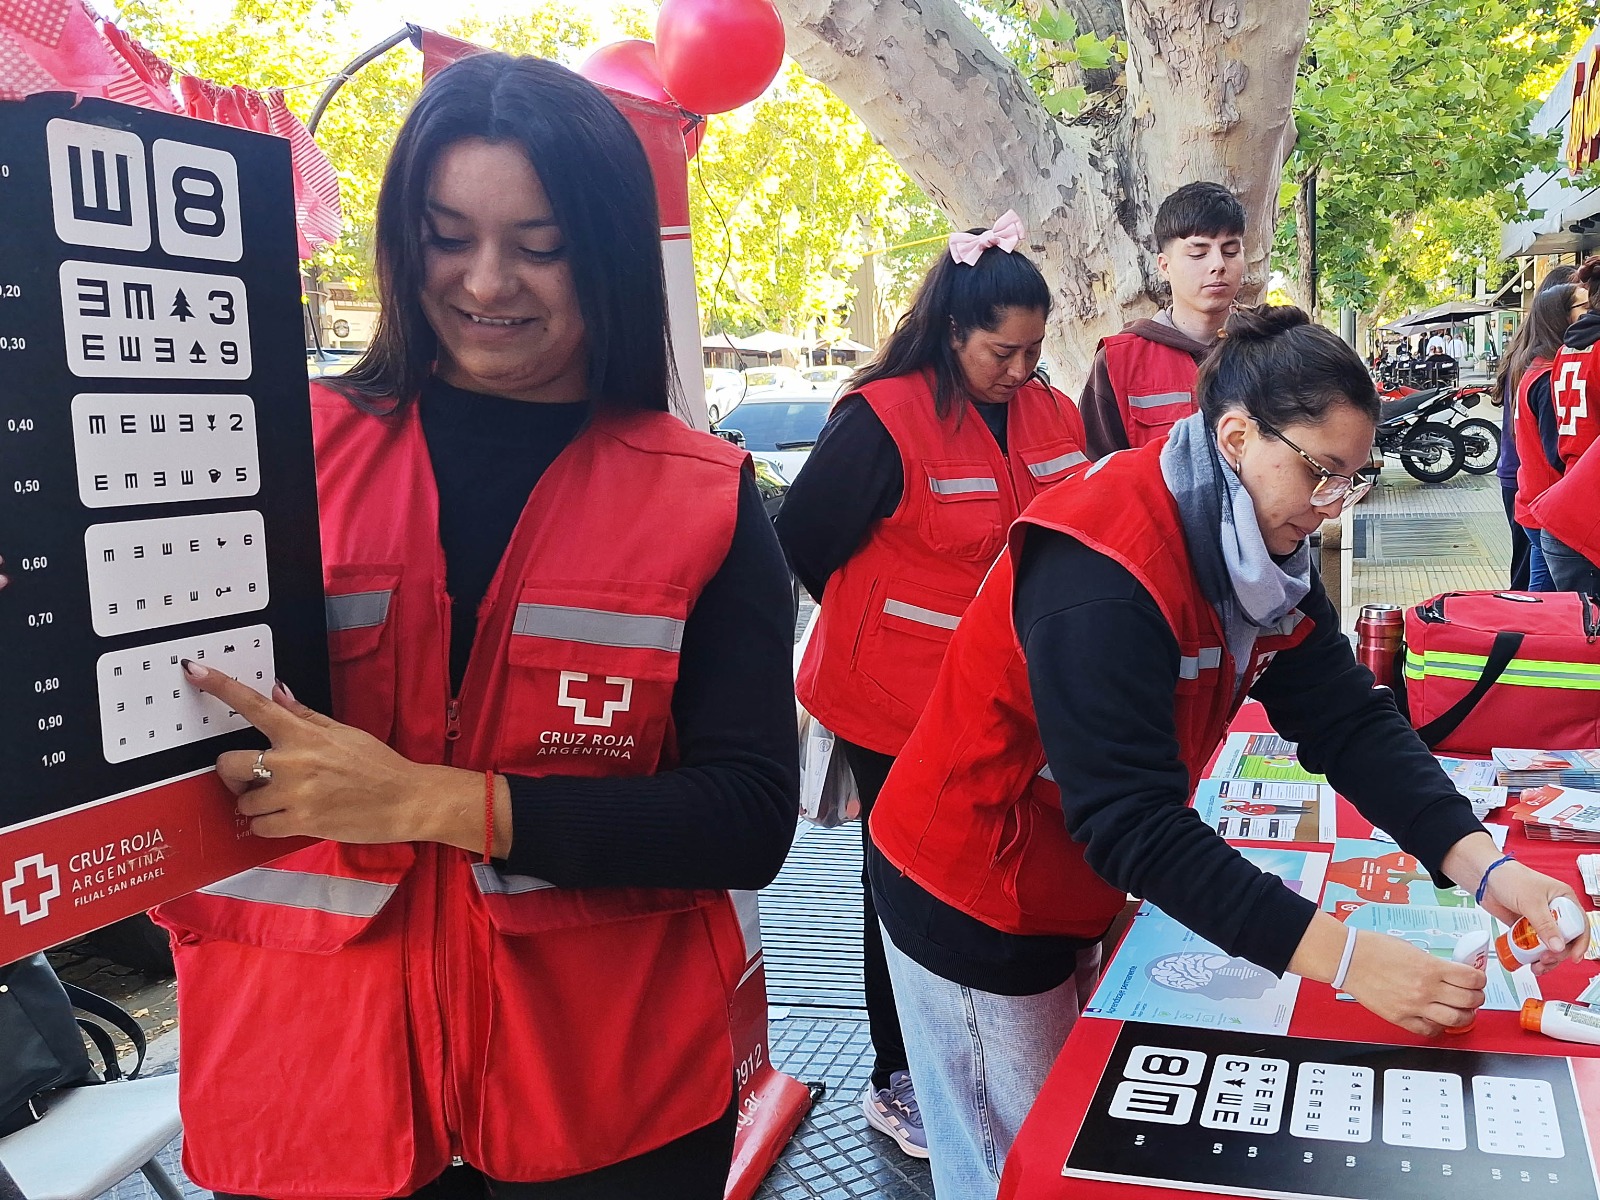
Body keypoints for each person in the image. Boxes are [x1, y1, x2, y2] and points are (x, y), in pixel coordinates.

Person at [142, 55, 800, 1200]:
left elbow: (746, 820)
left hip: (607, 1106)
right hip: (302, 1084)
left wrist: (436, 803)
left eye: (541, 246)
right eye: (447, 236)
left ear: (607, 252)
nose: (487, 282)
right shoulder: (258, 458)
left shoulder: (701, 496)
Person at [866, 306, 1585, 1199]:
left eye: (1353, 480)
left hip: (1071, 878)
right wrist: (1350, 961)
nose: (1331, 505)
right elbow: (1133, 823)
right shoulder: (1105, 563)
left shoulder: (1260, 552)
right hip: (975, 886)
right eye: (1322, 473)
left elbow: (1346, 719)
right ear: (1238, 437)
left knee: (1068, 1118)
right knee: (1013, 1162)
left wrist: (1487, 868)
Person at [775, 215, 1090, 1159]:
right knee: (904, 881)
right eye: (1002, 352)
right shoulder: (884, 416)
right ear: (953, 333)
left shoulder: (1052, 411)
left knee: (997, 867)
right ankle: (899, 1074)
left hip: (1014, 698)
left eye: (1035, 352)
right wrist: (885, 617)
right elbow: (804, 541)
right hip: (894, 705)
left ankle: (1000, 1044)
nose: (1021, 370)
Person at [1079, 182, 1245, 457]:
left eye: (1230, 251)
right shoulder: (1119, 361)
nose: (1218, 264)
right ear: (1164, 266)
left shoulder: (1273, 347)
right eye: (1198, 253)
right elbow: (1097, 470)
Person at [1495, 264, 1579, 589]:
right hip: (1537, 490)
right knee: (1535, 586)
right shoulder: (1545, 372)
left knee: (1532, 581)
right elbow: (1555, 448)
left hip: (1524, 482)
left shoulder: (1529, 356)